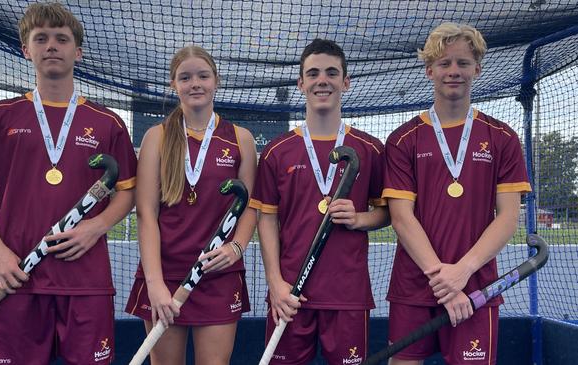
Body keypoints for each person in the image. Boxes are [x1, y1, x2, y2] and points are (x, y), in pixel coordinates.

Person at [0, 3, 137, 364]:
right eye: (41, 38)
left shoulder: (107, 122)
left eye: (62, 39)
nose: (52, 45)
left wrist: (96, 227)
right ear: (26, 50)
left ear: (77, 52)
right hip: (15, 274)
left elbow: (128, 191)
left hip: (85, 280)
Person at [382, 22, 532, 365]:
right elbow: (402, 218)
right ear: (429, 70)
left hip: (477, 286)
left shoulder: (502, 137)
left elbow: (508, 217)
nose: (454, 71)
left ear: (477, 69)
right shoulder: (404, 139)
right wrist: (445, 281)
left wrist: (462, 272)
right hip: (414, 286)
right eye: (445, 63)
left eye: (463, 63)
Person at [250, 38, 390, 364]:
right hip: (290, 295)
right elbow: (266, 219)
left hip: (347, 295)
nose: (321, 80)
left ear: (346, 81)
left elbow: (387, 213)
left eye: (331, 72)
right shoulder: (276, 151)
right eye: (313, 74)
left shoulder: (370, 148)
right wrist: (275, 284)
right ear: (301, 84)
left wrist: (359, 219)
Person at [124, 45, 258, 365]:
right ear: (174, 84)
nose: (194, 83)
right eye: (185, 77)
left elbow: (251, 206)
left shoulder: (241, 138)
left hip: (218, 274)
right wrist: (155, 285)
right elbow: (146, 212)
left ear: (217, 81)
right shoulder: (157, 136)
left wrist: (236, 247)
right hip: (165, 274)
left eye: (203, 76)